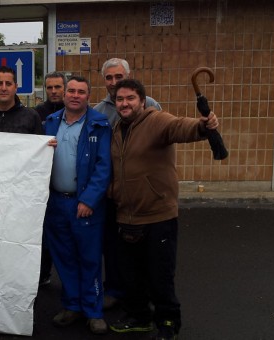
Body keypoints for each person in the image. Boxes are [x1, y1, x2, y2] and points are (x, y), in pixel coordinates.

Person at [108, 79, 219, 340]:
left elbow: (180, 127)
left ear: (142, 101)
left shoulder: (156, 121)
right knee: (131, 276)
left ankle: (168, 323)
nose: (125, 103)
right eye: (120, 99)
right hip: (126, 215)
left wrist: (202, 126)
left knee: (160, 276)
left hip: (158, 215)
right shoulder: (115, 128)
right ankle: (140, 318)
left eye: (130, 98)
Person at [43, 75, 111, 335]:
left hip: (85, 205)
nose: (74, 95)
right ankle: (72, 305)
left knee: (89, 258)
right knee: (64, 258)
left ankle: (93, 311)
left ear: (88, 96)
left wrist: (89, 199)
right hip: (56, 203)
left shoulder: (99, 124)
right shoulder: (49, 123)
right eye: (71, 90)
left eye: (80, 92)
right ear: (64, 93)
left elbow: (104, 167)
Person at [93, 57, 163, 310]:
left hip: (142, 192)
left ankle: (143, 296)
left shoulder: (151, 106)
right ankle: (114, 290)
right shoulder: (98, 112)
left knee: (145, 249)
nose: (113, 82)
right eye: (109, 78)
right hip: (112, 192)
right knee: (113, 246)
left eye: (118, 77)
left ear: (129, 76)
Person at [33, 71, 67, 286]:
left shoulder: (73, 111)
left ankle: (67, 282)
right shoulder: (37, 113)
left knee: (65, 239)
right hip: (42, 184)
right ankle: (42, 274)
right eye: (50, 87)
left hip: (65, 183)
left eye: (58, 87)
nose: (53, 91)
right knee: (42, 235)